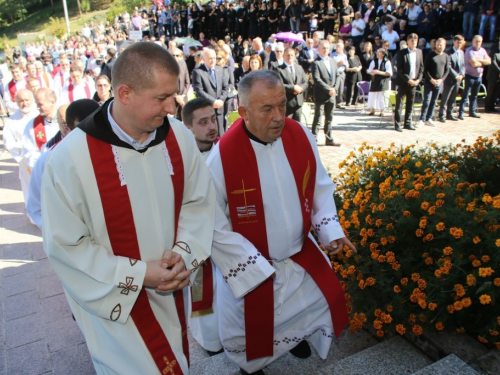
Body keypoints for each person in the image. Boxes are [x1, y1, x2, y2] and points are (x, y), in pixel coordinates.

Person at [41, 42, 216, 375]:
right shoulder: (70, 160)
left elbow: (198, 201)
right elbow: (66, 246)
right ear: (124, 93)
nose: (171, 107)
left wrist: (184, 255)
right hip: (115, 304)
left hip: (173, 288)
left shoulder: (178, 136)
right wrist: (138, 274)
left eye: (174, 95)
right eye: (161, 97)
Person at [206, 69, 354, 375]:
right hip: (254, 264)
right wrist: (247, 265)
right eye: (267, 109)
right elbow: (211, 220)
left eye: (282, 106)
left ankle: (291, 339)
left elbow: (319, 186)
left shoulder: (300, 136)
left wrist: (329, 230)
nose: (278, 117)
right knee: (249, 331)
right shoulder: (222, 157)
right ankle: (253, 366)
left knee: (316, 303)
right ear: (243, 112)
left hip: (298, 252)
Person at [27, 100, 100, 229]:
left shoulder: (117, 152)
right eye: (83, 127)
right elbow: (36, 206)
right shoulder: (48, 159)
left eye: (95, 126)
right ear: (68, 127)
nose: (91, 133)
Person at [3, 89, 38, 203]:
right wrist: (23, 149)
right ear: (16, 101)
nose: (25, 103)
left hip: (42, 156)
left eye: (27, 100)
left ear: (32, 99)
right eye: (21, 100)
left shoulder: (39, 115)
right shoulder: (12, 121)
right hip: (24, 159)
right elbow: (8, 142)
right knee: (30, 188)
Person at [192, 48, 229, 136]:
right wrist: (213, 102)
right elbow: (199, 91)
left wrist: (221, 100)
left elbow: (225, 88)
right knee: (209, 135)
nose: (212, 61)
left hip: (220, 109)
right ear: (204, 59)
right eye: (210, 58)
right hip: (206, 109)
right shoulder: (198, 72)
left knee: (221, 135)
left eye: (214, 58)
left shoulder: (220, 70)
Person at [22, 88, 60, 173]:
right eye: (36, 104)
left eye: (40, 104)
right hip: (45, 170)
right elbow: (29, 151)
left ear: (52, 102)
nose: (38, 107)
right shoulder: (32, 126)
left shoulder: (65, 119)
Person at [312, 40, 341, 146]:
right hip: (321, 94)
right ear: (319, 49)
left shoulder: (332, 61)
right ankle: (314, 139)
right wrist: (328, 89)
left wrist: (335, 89)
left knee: (329, 118)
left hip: (332, 95)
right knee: (318, 117)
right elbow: (316, 79)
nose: (325, 50)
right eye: (323, 48)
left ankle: (329, 138)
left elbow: (338, 76)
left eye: (327, 48)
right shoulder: (316, 63)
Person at [394, 33, 424, 132]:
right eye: (412, 40)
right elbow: (399, 69)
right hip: (404, 82)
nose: (414, 42)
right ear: (408, 42)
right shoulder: (402, 53)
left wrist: (418, 80)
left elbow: (421, 68)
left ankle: (408, 123)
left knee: (410, 104)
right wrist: (408, 80)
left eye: (416, 40)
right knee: (400, 104)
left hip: (414, 83)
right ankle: (397, 124)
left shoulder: (419, 52)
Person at [418, 38, 450, 127]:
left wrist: (441, 80)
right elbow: (426, 69)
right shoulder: (430, 55)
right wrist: (431, 79)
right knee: (427, 100)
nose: (439, 46)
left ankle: (429, 118)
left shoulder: (446, 56)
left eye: (441, 45)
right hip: (429, 82)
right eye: (438, 44)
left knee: (434, 101)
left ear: (444, 46)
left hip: (439, 83)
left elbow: (447, 70)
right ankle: (422, 118)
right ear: (435, 45)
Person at [458, 35, 491, 120]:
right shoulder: (469, 51)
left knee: (475, 95)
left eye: (479, 41)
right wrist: (483, 61)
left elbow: (489, 61)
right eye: (476, 41)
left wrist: (478, 60)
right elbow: (474, 64)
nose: (478, 43)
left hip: (479, 76)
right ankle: (461, 113)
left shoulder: (483, 50)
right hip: (469, 76)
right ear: (473, 41)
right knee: (465, 96)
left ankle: (472, 112)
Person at [275, 47, 308, 121]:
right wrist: (293, 88)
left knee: (298, 126)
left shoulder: (299, 67)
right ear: (283, 56)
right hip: (287, 103)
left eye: (292, 55)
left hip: (298, 102)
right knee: (287, 126)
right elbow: (278, 85)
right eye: (288, 55)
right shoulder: (279, 69)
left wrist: (300, 89)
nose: (290, 57)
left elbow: (305, 82)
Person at [438, 35, 465, 122]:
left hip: (458, 79)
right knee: (445, 97)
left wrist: (462, 74)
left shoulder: (461, 52)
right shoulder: (448, 52)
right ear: (454, 42)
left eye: (461, 43)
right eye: (458, 42)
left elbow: (463, 65)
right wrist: (456, 75)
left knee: (453, 98)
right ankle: (441, 115)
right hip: (450, 78)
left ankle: (449, 114)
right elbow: (448, 67)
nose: (459, 44)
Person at [367, 49, 393, 116]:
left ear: (383, 54)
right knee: (372, 95)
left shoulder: (387, 62)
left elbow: (389, 73)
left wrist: (379, 72)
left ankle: (382, 110)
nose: (377, 54)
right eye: (377, 52)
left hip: (383, 80)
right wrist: (372, 72)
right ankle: (372, 109)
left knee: (382, 97)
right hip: (375, 80)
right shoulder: (374, 61)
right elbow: (369, 70)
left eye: (379, 53)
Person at [173, 48, 190, 120]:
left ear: (181, 56)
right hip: (173, 99)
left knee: (183, 120)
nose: (175, 57)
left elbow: (187, 82)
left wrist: (182, 96)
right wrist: (176, 96)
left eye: (177, 55)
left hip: (183, 98)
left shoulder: (183, 65)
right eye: (173, 55)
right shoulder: (166, 67)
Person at [331, 42, 348, 109]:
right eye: (337, 47)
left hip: (341, 73)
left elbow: (347, 65)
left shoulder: (344, 56)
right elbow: (330, 63)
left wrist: (344, 63)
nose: (337, 48)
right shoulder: (332, 55)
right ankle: (333, 102)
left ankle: (339, 102)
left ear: (342, 48)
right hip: (335, 73)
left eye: (339, 47)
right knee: (334, 87)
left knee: (341, 88)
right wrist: (337, 63)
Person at [485, 40, 500, 113]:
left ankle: (492, 106)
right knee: (491, 91)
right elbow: (493, 63)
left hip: (498, 77)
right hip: (492, 76)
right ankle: (488, 107)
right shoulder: (494, 51)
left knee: (496, 92)